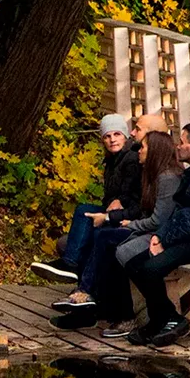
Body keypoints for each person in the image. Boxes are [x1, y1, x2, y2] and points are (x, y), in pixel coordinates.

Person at [47, 130, 182, 334]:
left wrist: (126, 223)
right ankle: (89, 305)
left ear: (154, 151)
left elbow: (158, 220)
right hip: (142, 227)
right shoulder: (147, 174)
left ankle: (90, 298)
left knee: (108, 241)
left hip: (158, 236)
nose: (138, 152)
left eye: (142, 148)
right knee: (96, 235)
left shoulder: (167, 178)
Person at [118, 121, 190, 347]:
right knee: (134, 263)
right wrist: (160, 236)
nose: (177, 146)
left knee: (151, 269)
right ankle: (170, 318)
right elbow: (179, 212)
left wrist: (165, 239)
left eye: (181, 142)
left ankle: (160, 322)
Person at [29, 113, 157, 282]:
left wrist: (118, 203)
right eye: (107, 136)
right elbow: (110, 197)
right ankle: (76, 275)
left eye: (117, 134)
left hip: (128, 216)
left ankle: (75, 272)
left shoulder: (131, 158)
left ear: (125, 136)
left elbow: (131, 194)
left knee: (87, 219)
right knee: (76, 224)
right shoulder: (112, 161)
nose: (112, 139)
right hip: (115, 212)